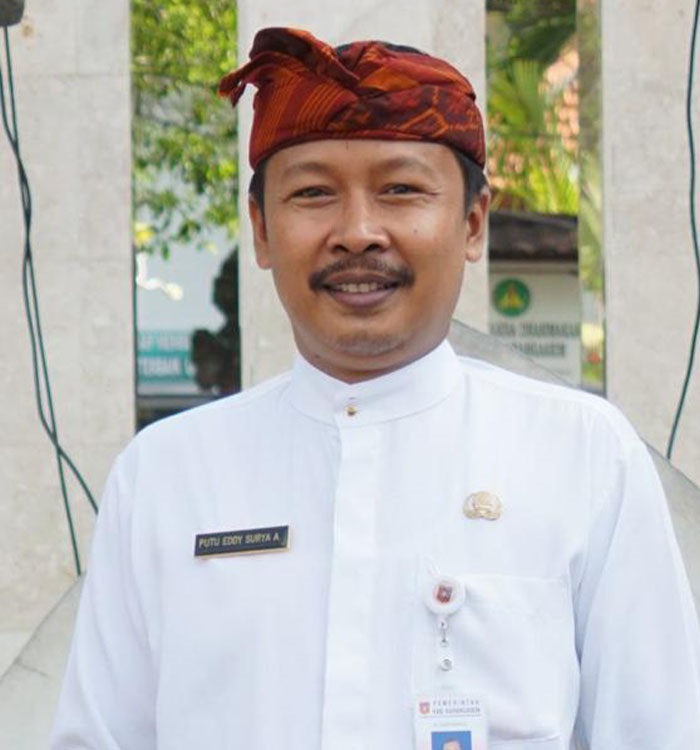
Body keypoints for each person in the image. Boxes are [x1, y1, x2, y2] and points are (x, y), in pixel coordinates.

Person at [51, 27, 700, 749]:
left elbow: (658, 732)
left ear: (472, 222)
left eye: (400, 190)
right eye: (313, 193)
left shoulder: (582, 455)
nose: (358, 232)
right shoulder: (167, 474)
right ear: (261, 230)